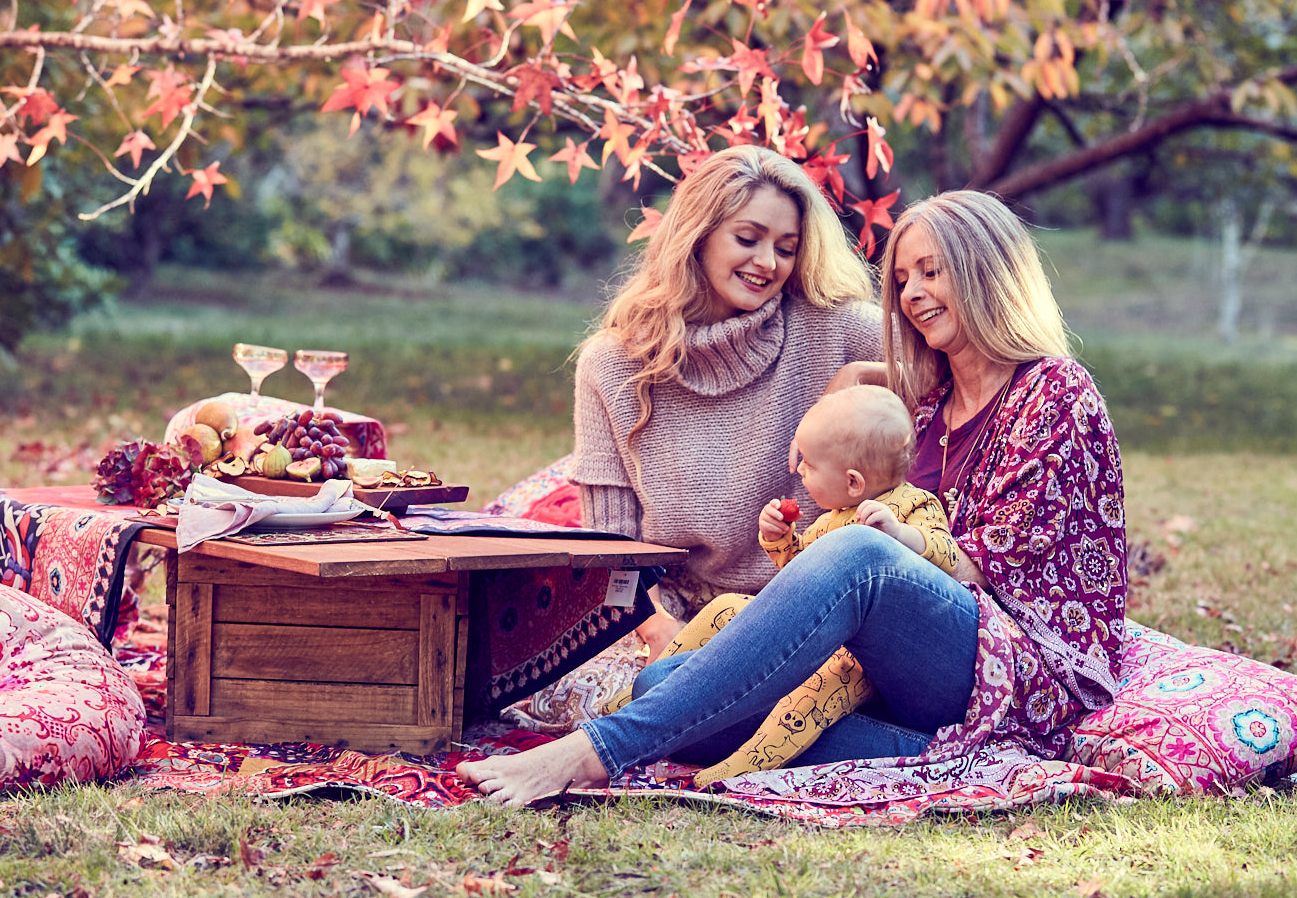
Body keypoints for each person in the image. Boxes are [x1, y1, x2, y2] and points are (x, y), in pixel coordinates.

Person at [460, 190, 1128, 808]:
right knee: (663, 690)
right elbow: (869, 374)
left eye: (933, 272)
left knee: (858, 552)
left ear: (987, 275)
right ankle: (929, 757)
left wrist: (894, 544)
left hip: (1013, 665)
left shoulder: (1056, 393)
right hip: (903, 680)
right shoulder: (928, 406)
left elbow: (990, 567)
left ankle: (593, 753)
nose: (915, 295)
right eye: (902, 281)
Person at [570, 145, 882, 657]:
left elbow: (954, 364)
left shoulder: (835, 329)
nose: (767, 263)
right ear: (698, 235)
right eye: (747, 238)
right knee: (599, 693)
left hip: (810, 609)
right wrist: (657, 630)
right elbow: (612, 549)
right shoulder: (613, 364)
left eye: (786, 247)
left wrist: (858, 371)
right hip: (672, 612)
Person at [625, 384, 965, 788]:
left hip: (865, 660)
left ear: (854, 482)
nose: (798, 470)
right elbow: (804, 584)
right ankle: (647, 691)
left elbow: (948, 553)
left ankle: (743, 766)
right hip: (821, 637)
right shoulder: (830, 519)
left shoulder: (916, 505)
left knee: (812, 693)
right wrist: (780, 538)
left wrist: (899, 536)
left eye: (809, 464)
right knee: (727, 606)